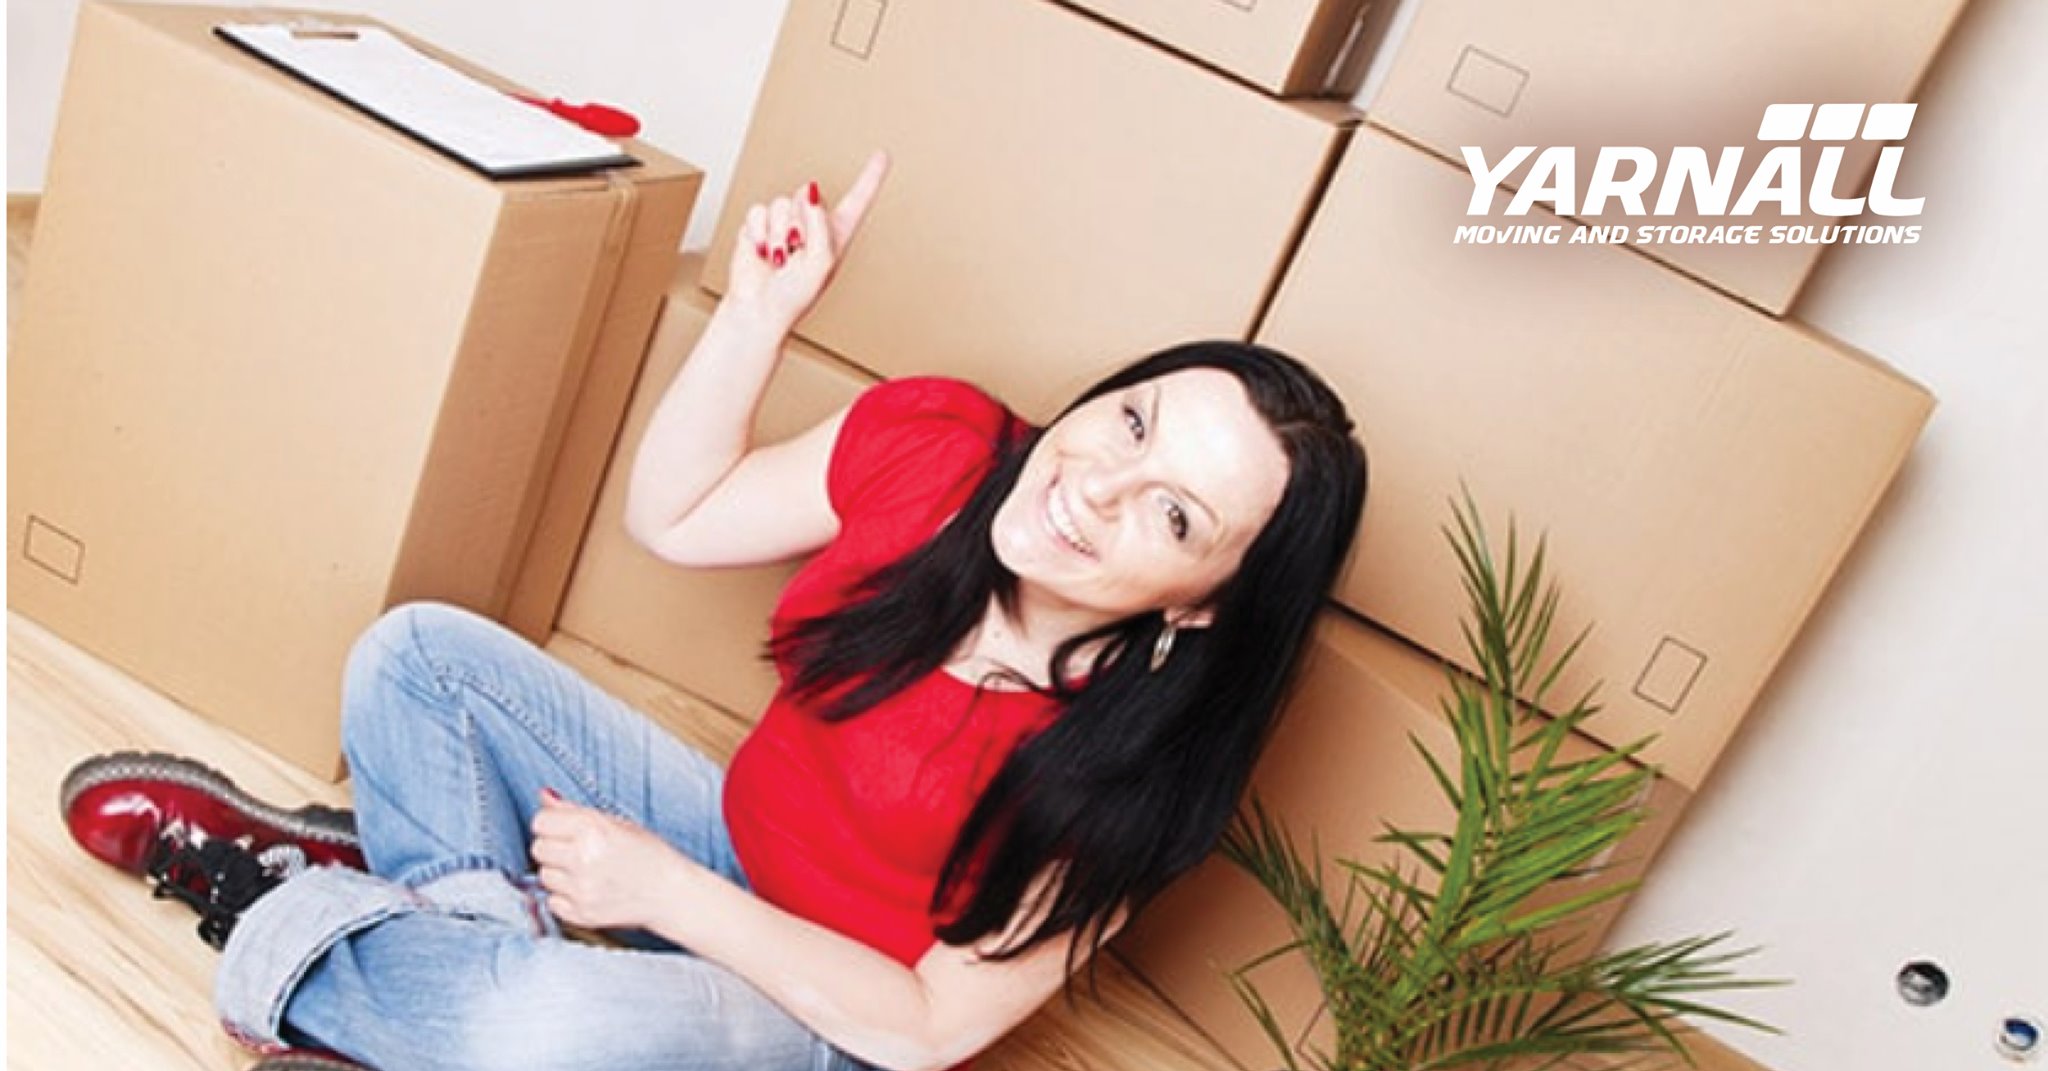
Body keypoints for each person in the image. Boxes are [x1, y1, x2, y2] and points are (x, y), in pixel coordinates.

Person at [61, 151, 1368, 1071]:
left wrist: (670, 895)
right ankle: (453, 957)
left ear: (1206, 608)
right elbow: (679, 517)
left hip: (830, 1020)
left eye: (1174, 516)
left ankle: (287, 912)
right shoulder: (948, 452)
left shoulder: (1139, 773)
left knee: (549, 1028)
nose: (1098, 484)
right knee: (420, 658)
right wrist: (755, 316)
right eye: (1132, 421)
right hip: (726, 840)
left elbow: (925, 1028)